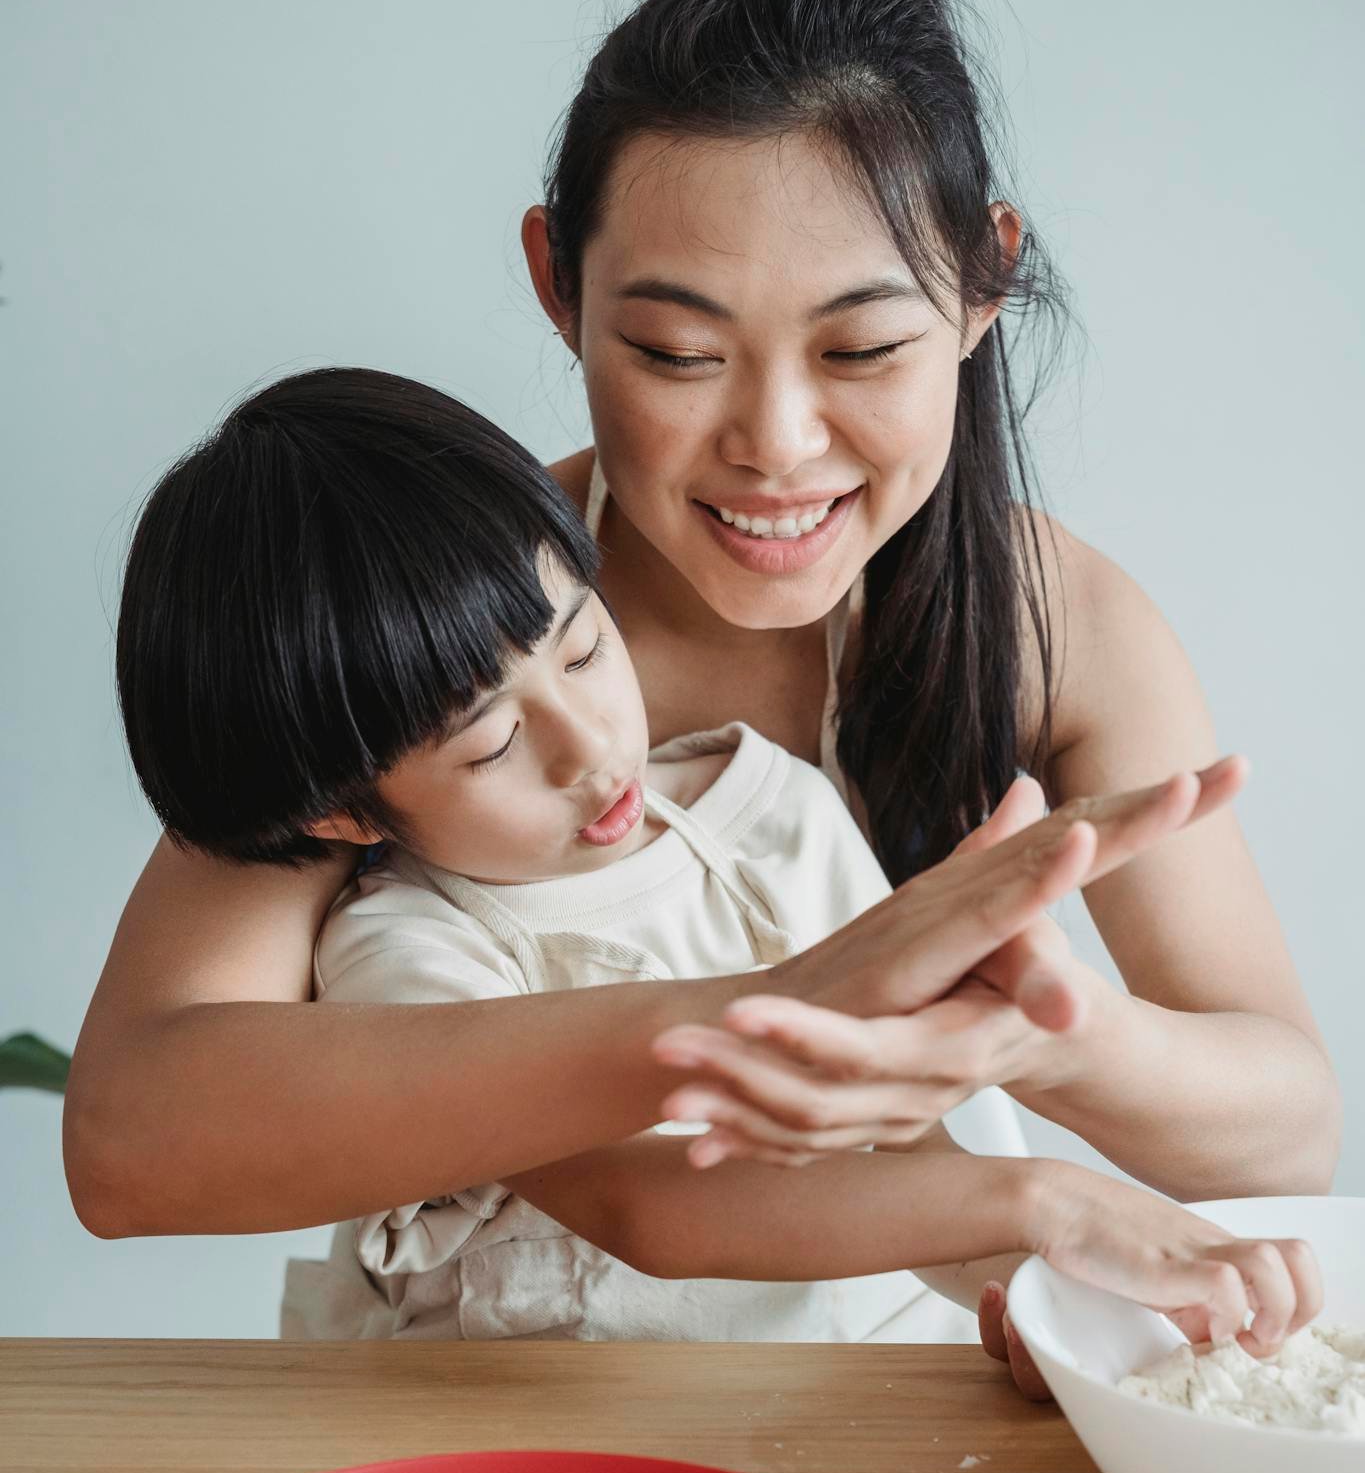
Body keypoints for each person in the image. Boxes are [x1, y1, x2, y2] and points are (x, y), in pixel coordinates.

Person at [65, 0, 1338, 1384]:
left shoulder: (1050, 620)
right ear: (558, 281)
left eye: (861, 352)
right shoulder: (438, 626)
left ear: (987, 283)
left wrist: (1027, 1033)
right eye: (677, 353)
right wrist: (770, 1017)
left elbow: (1285, 1126)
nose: (775, 446)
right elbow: (133, 1133)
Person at [111, 366, 1321, 1353]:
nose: (590, 749)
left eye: (586, 649)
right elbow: (652, 1202)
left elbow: (905, 1163)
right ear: (341, 812)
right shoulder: (407, 950)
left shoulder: (771, 805)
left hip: (827, 1412)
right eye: (489, 742)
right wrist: (1046, 1201)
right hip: (550, 1454)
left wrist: (1037, 1291)